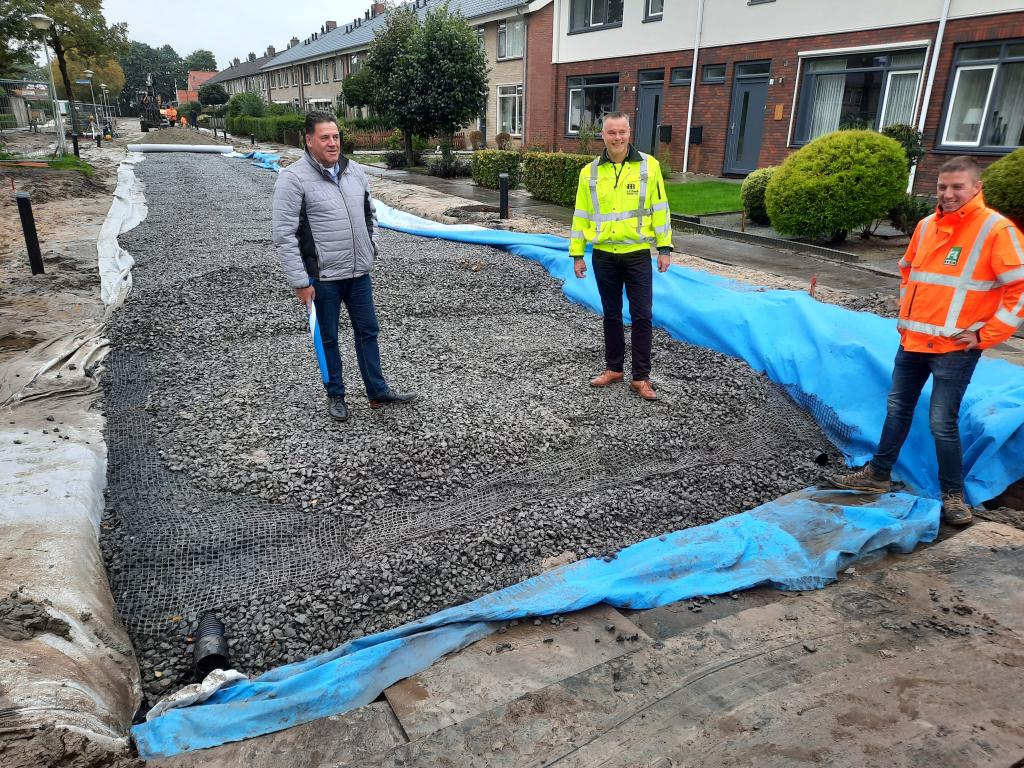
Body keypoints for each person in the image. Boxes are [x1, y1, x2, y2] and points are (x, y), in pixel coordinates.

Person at [831, 156, 1024, 525]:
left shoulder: (995, 231)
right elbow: (909, 270)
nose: (948, 194)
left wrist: (986, 334)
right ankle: (878, 475)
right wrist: (908, 316)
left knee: (942, 422)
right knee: (897, 410)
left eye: (957, 187)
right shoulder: (925, 226)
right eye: (942, 187)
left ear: (976, 188)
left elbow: (1019, 288)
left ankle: (953, 495)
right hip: (914, 341)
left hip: (954, 349)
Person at [271, 111, 417, 421]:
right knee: (328, 338)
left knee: (368, 331)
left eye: (335, 136)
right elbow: (284, 235)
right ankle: (336, 395)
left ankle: (377, 391)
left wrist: (371, 247)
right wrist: (300, 281)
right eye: (324, 137)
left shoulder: (355, 172)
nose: (332, 143)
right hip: (322, 278)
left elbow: (371, 214)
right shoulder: (293, 178)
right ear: (309, 141)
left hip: (358, 272)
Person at [570, 112, 673, 400]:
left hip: (637, 254)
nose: (617, 138)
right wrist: (577, 254)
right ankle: (614, 368)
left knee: (642, 315)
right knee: (611, 315)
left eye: (622, 132)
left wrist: (664, 249)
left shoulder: (648, 167)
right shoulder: (589, 173)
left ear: (630, 133)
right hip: (603, 255)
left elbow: (661, 210)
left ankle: (641, 377)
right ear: (602, 135)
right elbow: (581, 216)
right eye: (611, 132)